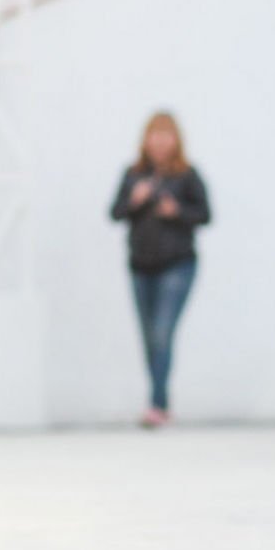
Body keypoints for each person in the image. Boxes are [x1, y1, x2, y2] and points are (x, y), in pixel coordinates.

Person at [109, 112, 211, 428]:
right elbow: (115, 212)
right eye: (155, 134)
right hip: (141, 266)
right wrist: (135, 200)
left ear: (176, 140)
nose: (160, 141)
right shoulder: (133, 175)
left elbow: (205, 214)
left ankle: (157, 404)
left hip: (177, 264)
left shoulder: (187, 175)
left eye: (166, 135)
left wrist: (176, 211)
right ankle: (159, 401)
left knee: (162, 332)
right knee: (149, 337)